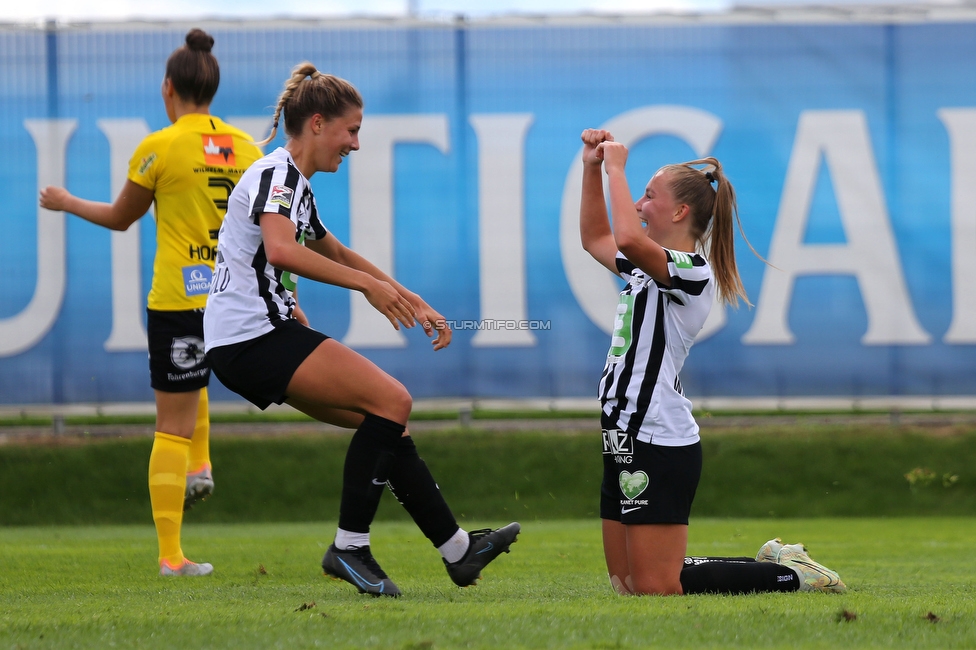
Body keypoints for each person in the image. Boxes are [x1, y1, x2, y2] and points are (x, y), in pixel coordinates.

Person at [203, 62, 519, 598]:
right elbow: (281, 251)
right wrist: (366, 290)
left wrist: (408, 298)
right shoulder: (274, 174)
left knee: (387, 424)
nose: (355, 144)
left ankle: (458, 551)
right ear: (319, 123)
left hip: (250, 337)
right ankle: (349, 547)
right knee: (394, 399)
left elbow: (336, 252)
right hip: (249, 336)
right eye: (352, 130)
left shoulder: (294, 184)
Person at [578, 128, 846, 596]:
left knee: (657, 587)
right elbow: (597, 236)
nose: (639, 204)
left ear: (680, 211)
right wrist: (591, 169)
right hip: (621, 432)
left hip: (656, 436)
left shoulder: (691, 272)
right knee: (627, 585)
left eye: (648, 195)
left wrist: (617, 168)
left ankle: (793, 575)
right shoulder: (645, 267)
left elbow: (622, 234)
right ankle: (777, 560)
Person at [39, 29, 264, 577]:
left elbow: (121, 218)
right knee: (201, 385)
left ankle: (170, 556)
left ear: (169, 88)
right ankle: (201, 466)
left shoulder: (159, 147)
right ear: (212, 85)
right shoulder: (249, 148)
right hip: (233, 300)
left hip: (179, 300)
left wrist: (67, 201)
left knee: (171, 422)